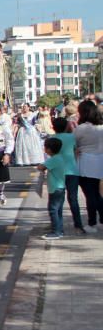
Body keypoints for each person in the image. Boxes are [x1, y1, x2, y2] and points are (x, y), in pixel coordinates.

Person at [50, 116, 85, 234]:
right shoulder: (72, 137)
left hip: (57, 172)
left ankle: (59, 227)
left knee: (58, 200)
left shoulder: (52, 138)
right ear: (66, 126)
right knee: (73, 198)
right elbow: (77, 150)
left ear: (53, 127)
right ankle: (78, 225)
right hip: (72, 170)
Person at [74, 100, 103, 233]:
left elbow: (73, 144)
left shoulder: (81, 128)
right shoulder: (101, 127)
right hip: (99, 162)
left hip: (85, 163)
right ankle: (100, 220)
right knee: (97, 194)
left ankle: (92, 223)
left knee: (90, 195)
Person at [37, 138, 67, 240]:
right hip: (60, 187)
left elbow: (41, 167)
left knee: (53, 210)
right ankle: (60, 229)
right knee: (58, 210)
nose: (44, 149)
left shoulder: (54, 159)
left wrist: (39, 165)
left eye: (45, 147)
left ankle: (56, 232)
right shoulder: (60, 157)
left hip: (55, 188)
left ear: (49, 149)